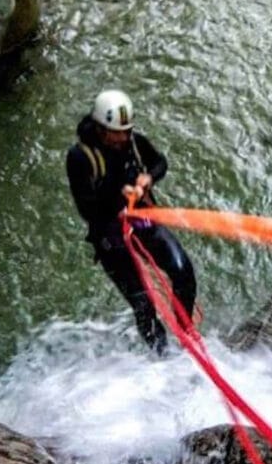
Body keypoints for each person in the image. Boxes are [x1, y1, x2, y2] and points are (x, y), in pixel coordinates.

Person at [66, 90, 197, 353]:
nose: (123, 137)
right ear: (101, 129)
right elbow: (86, 208)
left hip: (143, 220)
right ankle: (162, 354)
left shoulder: (134, 143)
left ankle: (186, 334)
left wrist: (148, 178)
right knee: (143, 304)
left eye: (127, 131)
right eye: (117, 133)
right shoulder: (81, 158)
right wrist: (119, 196)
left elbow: (159, 162)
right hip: (110, 235)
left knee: (183, 272)